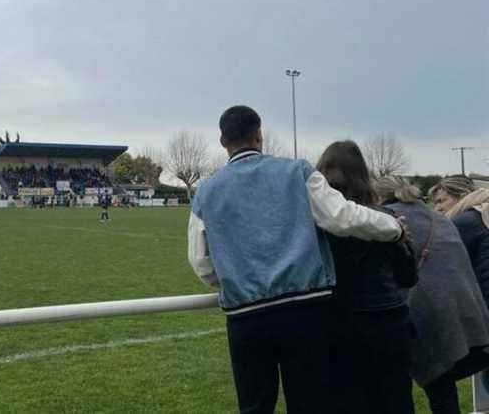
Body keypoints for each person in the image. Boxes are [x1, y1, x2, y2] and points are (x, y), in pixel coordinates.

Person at [187, 105, 405, 414]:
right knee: (310, 403)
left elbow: (200, 259)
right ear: (259, 135)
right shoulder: (297, 171)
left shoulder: (205, 191)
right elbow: (342, 217)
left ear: (223, 141)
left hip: (245, 318)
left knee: (255, 406)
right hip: (305, 312)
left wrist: (233, 281)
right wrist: (394, 228)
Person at [316, 141, 418, 414]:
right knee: (397, 401)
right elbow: (408, 276)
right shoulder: (388, 219)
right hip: (390, 322)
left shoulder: (316, 225)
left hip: (339, 324)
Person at [375, 176, 489, 414]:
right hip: (468, 312)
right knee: (443, 385)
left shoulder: (386, 219)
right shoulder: (441, 220)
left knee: (432, 383)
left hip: (424, 313)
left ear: (378, 197)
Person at [430, 176, 489, 306]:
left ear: (463, 196)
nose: (437, 208)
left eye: (441, 201)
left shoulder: (464, 221)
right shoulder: (484, 211)